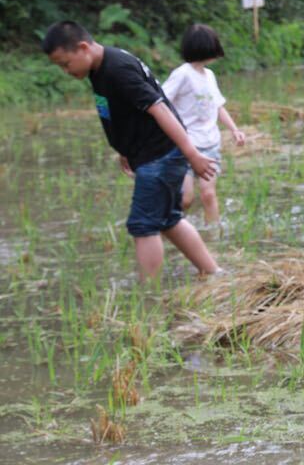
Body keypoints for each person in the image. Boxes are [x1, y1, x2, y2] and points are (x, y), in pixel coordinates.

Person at [42, 21, 220, 281]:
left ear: (83, 47)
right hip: (151, 153)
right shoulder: (100, 68)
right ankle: (213, 272)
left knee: (143, 224)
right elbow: (122, 112)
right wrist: (124, 148)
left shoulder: (117, 69)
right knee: (168, 219)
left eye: (65, 63)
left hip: (160, 154)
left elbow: (160, 108)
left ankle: (149, 295)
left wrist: (191, 153)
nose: (65, 71)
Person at [162, 24, 245, 229]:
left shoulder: (209, 76)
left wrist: (234, 129)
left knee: (208, 194)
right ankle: (170, 228)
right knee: (186, 198)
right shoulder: (182, 74)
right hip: (185, 147)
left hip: (210, 145)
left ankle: (213, 236)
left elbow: (218, 106)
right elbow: (161, 101)